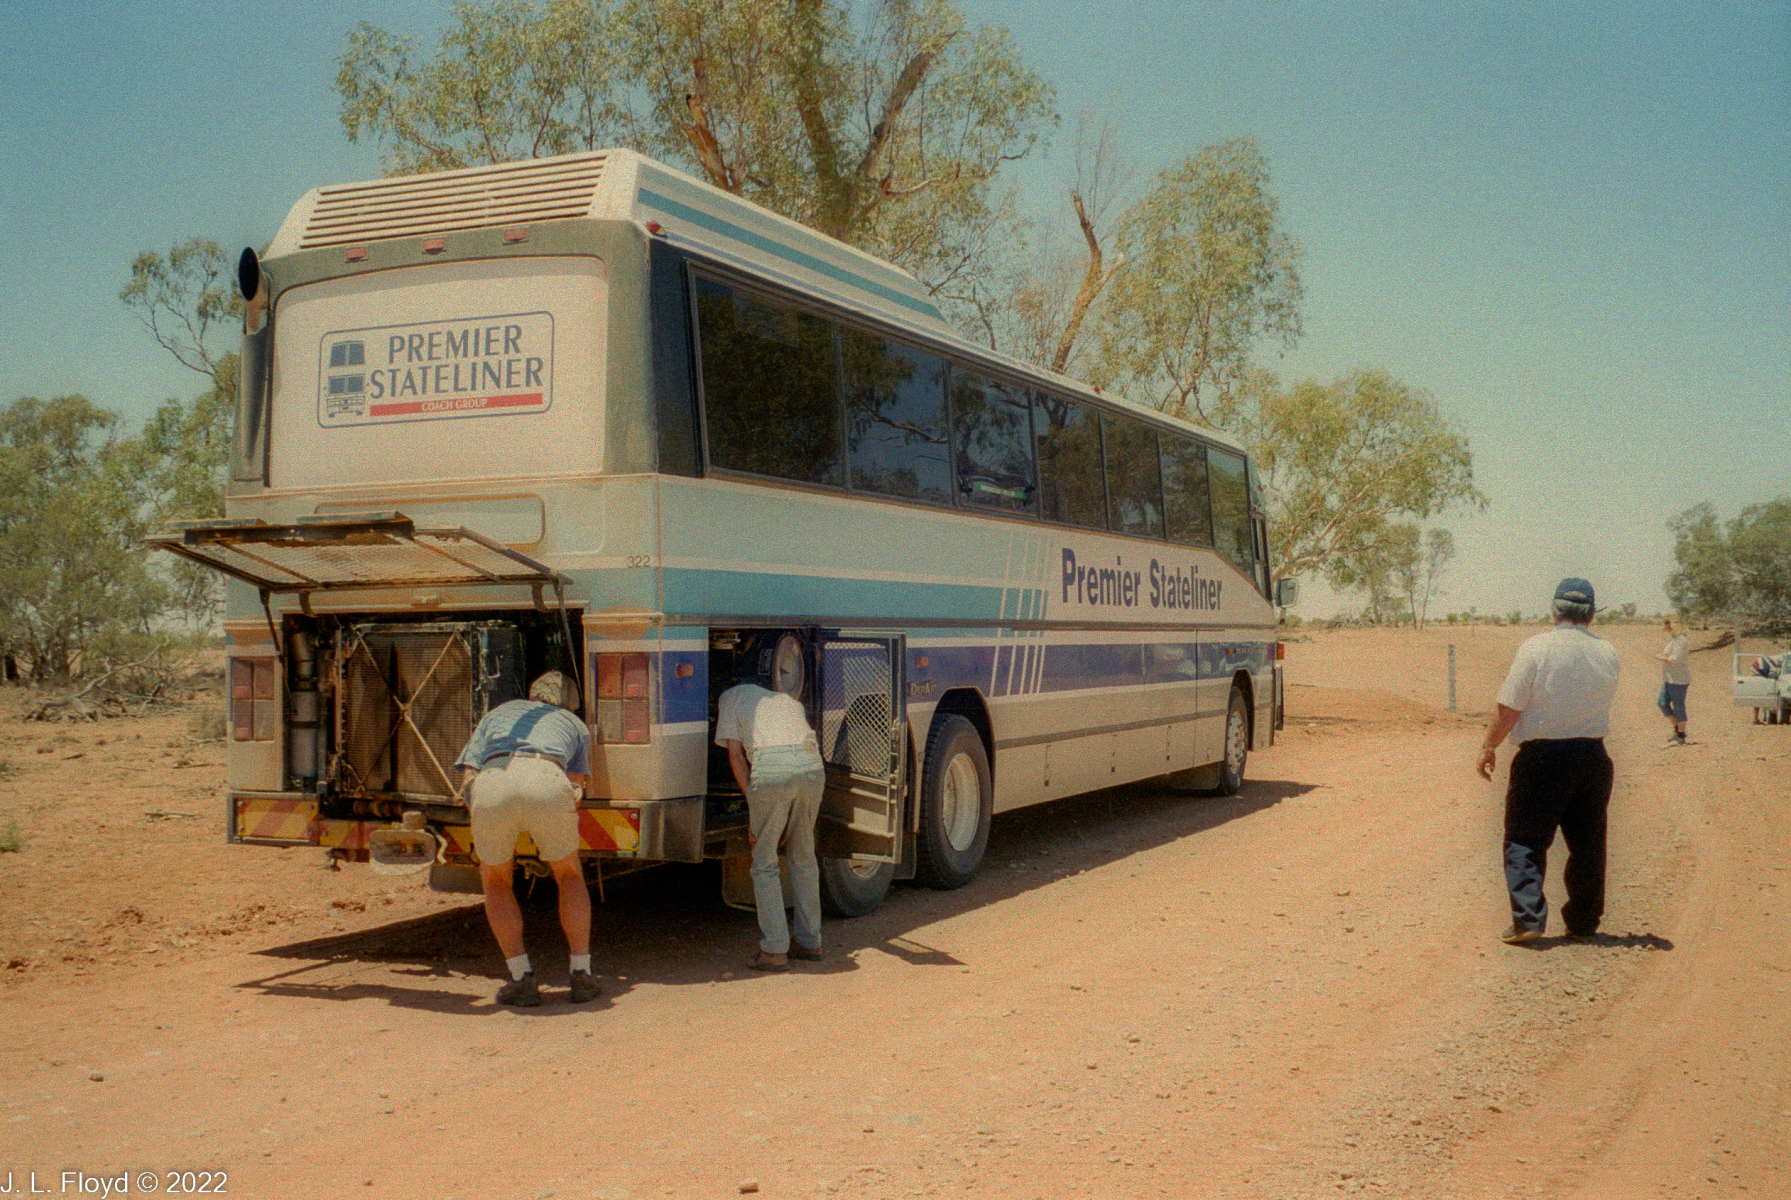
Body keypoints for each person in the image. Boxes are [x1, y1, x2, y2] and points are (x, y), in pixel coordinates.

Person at [1476, 578, 1621, 945]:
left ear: (1554, 610)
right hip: (1592, 757)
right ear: (1591, 613)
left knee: (1525, 839)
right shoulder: (1607, 652)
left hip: (1542, 759)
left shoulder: (1535, 648)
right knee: (1588, 844)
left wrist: (1488, 745)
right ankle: (1583, 922)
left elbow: (1509, 707)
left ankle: (1528, 918)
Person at [456, 670, 599, 1006]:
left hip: (494, 778)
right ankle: (581, 974)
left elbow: (469, 774)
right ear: (571, 703)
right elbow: (576, 785)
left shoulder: (498, 713)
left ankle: (521, 977)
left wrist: (479, 804)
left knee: (496, 881)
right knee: (569, 875)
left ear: (533, 694)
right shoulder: (575, 724)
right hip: (546, 776)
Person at [715, 676, 826, 971]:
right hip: (812, 764)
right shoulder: (786, 699)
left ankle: (775, 950)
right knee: (804, 857)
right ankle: (810, 942)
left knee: (764, 863)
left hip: (773, 768)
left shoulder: (730, 696)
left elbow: (737, 756)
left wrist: (756, 808)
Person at [1654, 618, 1691, 745]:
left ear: (1673, 625)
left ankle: (1681, 735)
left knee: (1678, 706)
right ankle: (1677, 729)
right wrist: (1663, 656)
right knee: (1662, 703)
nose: (1664, 625)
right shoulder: (1674, 640)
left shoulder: (1681, 640)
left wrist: (1660, 657)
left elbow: (1676, 659)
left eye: (1667, 623)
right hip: (1669, 678)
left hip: (1678, 679)